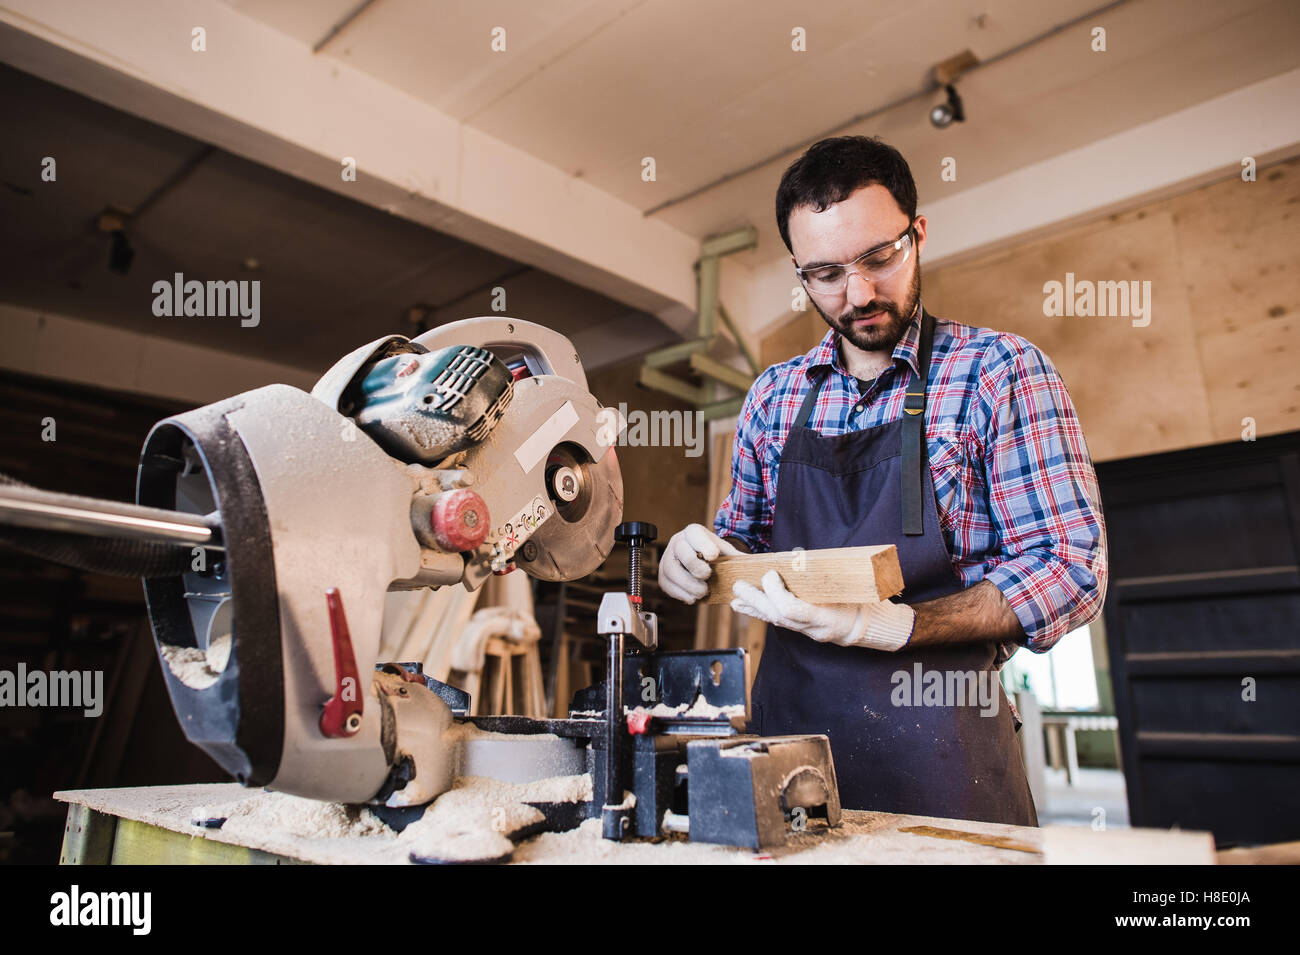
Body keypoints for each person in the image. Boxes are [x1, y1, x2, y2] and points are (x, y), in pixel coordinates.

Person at [657, 136, 1108, 826]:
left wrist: (898, 625)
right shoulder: (774, 397)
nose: (859, 293)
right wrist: (695, 558)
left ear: (917, 235)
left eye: (878, 258)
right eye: (826, 273)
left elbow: (1071, 569)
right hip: (791, 751)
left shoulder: (999, 372)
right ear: (799, 273)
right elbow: (740, 545)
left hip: (941, 748)